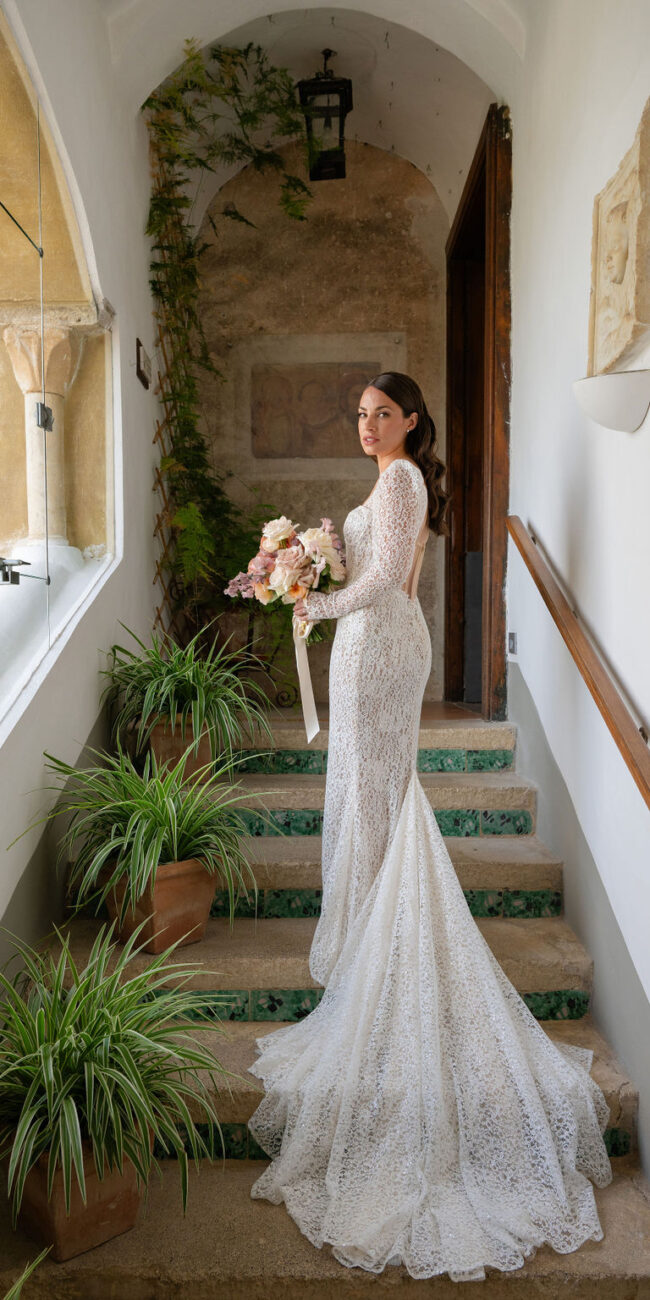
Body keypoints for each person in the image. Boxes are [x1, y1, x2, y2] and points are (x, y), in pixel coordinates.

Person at [247, 371, 612, 1282]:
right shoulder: (385, 480)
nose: (369, 426)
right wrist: (304, 573)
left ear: (413, 421)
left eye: (384, 414)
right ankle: (372, 950)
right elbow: (367, 571)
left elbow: (381, 582)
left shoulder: (404, 480)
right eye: (362, 415)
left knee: (378, 802)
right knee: (365, 804)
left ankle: (385, 964)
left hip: (379, 655)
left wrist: (317, 600)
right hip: (366, 651)